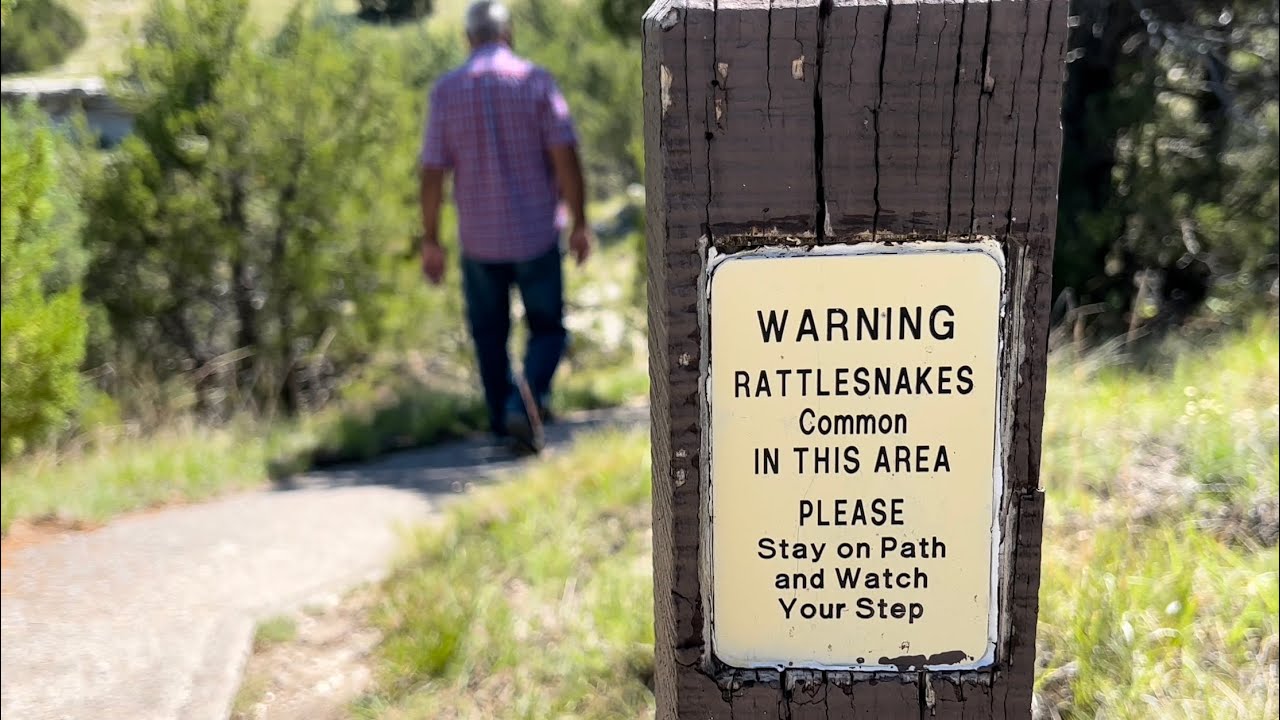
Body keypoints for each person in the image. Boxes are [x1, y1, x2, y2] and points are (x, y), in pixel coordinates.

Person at [418, 0, 591, 455]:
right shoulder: (535, 81)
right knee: (548, 330)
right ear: (508, 33)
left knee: (489, 336)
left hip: (479, 239)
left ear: (468, 39)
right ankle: (524, 404)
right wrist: (580, 222)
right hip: (535, 233)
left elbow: (432, 171)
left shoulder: (446, 91)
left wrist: (431, 240)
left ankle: (504, 424)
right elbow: (565, 155)